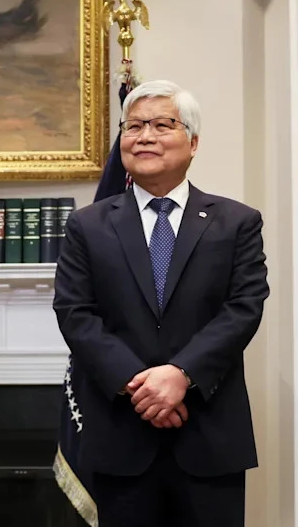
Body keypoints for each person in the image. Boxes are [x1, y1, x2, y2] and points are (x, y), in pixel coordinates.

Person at [52, 80, 268, 527]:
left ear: (193, 142)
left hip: (209, 435)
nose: (144, 136)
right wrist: (141, 385)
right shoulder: (87, 225)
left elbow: (243, 308)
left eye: (162, 124)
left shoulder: (237, 222)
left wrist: (180, 375)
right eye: (133, 126)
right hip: (119, 434)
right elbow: (75, 313)